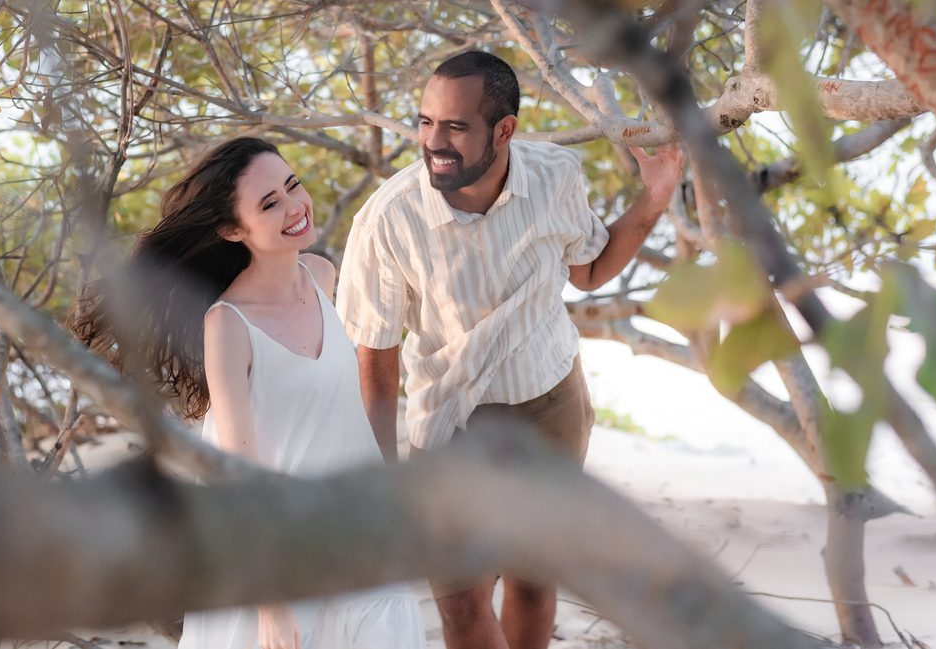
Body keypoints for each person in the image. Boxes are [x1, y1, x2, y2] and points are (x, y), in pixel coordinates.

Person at [337, 51, 682, 649]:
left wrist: (654, 199)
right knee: (462, 605)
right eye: (425, 122)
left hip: (551, 406)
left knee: (532, 580)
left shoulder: (557, 177)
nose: (433, 142)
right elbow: (377, 369)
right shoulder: (388, 221)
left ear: (505, 130)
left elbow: (592, 270)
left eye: (455, 126)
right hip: (450, 426)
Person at [71, 137, 427, 649]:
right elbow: (238, 471)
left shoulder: (322, 276)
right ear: (232, 229)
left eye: (292, 186)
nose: (294, 207)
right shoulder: (228, 326)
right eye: (269, 204)